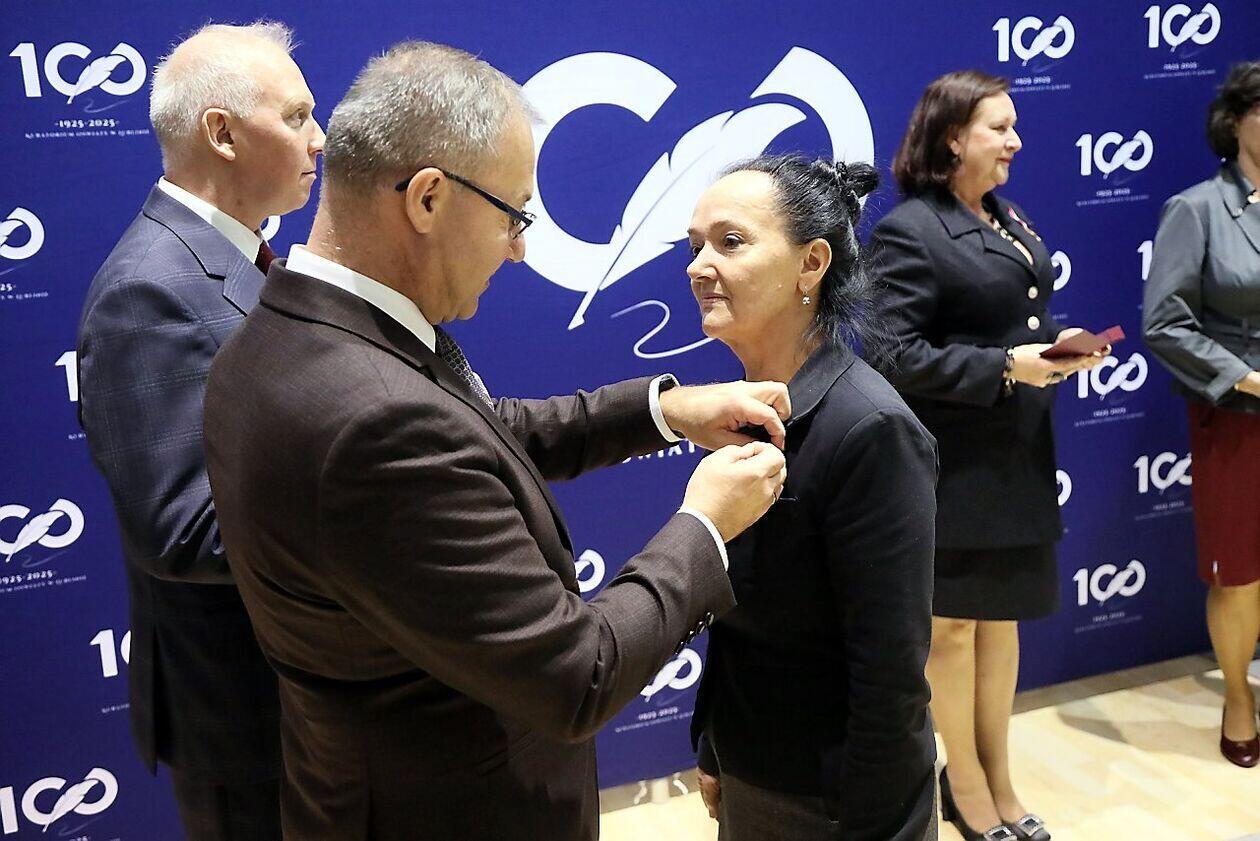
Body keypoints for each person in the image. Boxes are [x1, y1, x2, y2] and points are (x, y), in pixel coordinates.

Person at [201, 41, 789, 841]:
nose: (519, 247)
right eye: (514, 213)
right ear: (429, 198)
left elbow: (478, 432)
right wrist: (705, 524)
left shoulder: (281, 336)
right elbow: (579, 674)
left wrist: (665, 408)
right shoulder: (374, 420)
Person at [75, 21, 322, 841]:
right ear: (222, 133)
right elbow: (181, 529)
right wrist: (377, 507)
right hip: (248, 726)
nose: (319, 139)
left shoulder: (241, 257)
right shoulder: (145, 290)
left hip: (299, 709)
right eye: (296, 117)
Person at [867, 70, 1105, 841]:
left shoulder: (1007, 216)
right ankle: (963, 785)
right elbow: (891, 354)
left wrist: (1058, 350)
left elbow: (1015, 318)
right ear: (952, 137)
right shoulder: (910, 230)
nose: (1015, 142)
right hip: (951, 464)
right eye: (999, 128)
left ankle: (1000, 778)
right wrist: (1006, 366)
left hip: (1015, 456)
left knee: (1000, 623)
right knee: (954, 631)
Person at [686, 154, 939, 841]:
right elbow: (736, 614)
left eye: (729, 242)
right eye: (695, 245)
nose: (700, 266)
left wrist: (875, 823)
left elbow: (890, 672)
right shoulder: (742, 412)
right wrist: (715, 743)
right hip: (751, 772)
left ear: (811, 263)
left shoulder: (872, 429)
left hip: (833, 802)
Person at [1143, 60, 1260, 768]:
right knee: (1239, 572)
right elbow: (1164, 321)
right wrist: (1248, 378)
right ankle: (1238, 696)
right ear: (1237, 121)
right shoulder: (1198, 209)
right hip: (1238, 415)